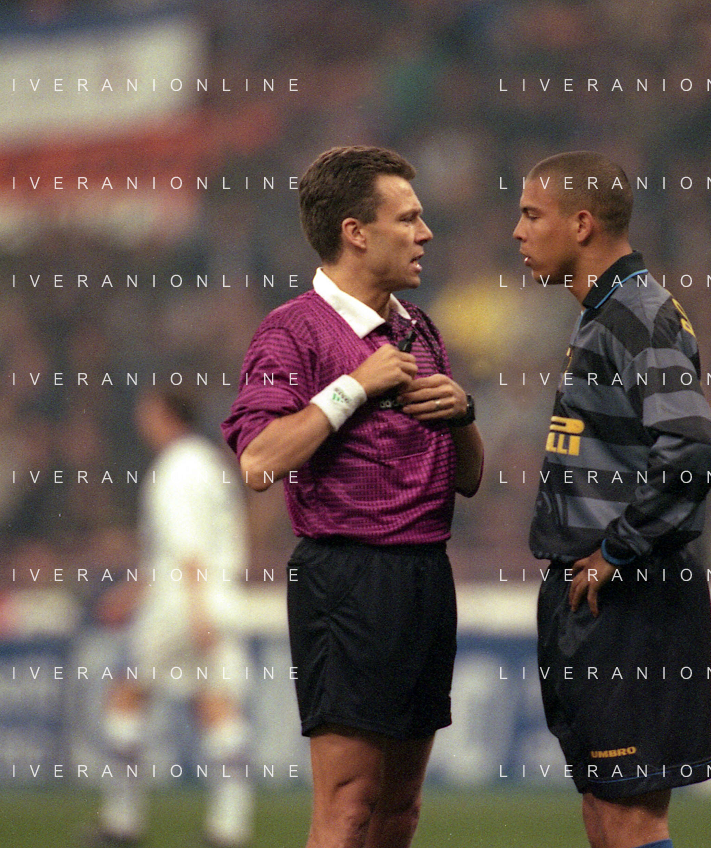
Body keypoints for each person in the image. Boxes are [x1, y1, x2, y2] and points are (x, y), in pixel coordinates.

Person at [221, 145, 483, 848]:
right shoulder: (292, 331)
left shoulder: (419, 329)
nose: (425, 233)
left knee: (400, 809)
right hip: (346, 578)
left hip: (425, 574)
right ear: (355, 232)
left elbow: (467, 479)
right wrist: (353, 388)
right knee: (348, 806)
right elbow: (259, 459)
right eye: (408, 218)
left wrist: (464, 415)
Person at [514, 151, 711, 848]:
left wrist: (614, 551)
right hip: (597, 597)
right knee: (604, 817)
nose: (517, 231)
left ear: (581, 224)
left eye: (531, 214)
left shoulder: (637, 313)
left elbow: (690, 449)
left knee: (631, 819)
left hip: (635, 598)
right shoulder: (602, 313)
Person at [86, 388, 254, 848]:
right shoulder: (212, 466)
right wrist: (133, 593)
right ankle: (230, 826)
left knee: (126, 695)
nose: (141, 421)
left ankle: (122, 818)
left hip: (182, 602)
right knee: (217, 704)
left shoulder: (174, 469)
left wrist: (193, 609)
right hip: (220, 598)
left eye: (147, 412)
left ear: (165, 416)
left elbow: (186, 548)